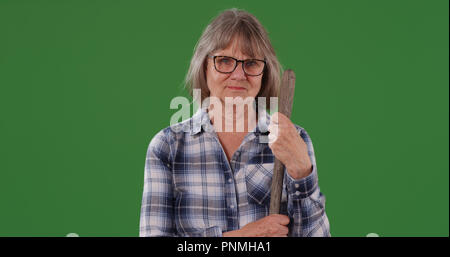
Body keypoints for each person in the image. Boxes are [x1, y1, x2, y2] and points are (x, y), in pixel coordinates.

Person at [139, 8, 330, 237]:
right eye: (225, 61)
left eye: (251, 63)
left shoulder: (293, 141)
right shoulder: (167, 147)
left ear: (264, 72)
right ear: (204, 66)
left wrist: (302, 172)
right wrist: (242, 237)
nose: (239, 75)